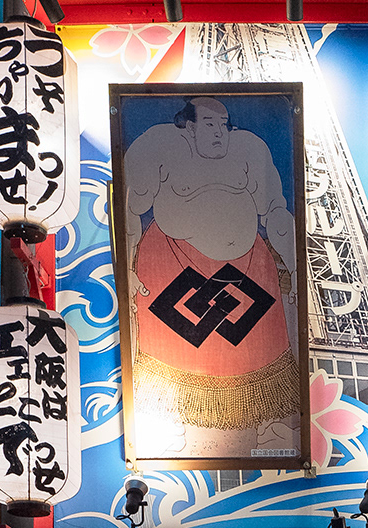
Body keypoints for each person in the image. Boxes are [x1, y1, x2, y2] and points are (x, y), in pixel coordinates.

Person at [123, 94, 300, 458]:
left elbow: (276, 212)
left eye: (224, 125)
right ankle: (169, 422)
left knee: (263, 346)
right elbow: (129, 209)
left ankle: (269, 423)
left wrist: (294, 264)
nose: (220, 132)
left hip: (246, 265)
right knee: (168, 347)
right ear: (187, 126)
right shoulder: (156, 147)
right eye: (209, 124)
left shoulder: (251, 149)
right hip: (173, 263)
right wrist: (128, 265)